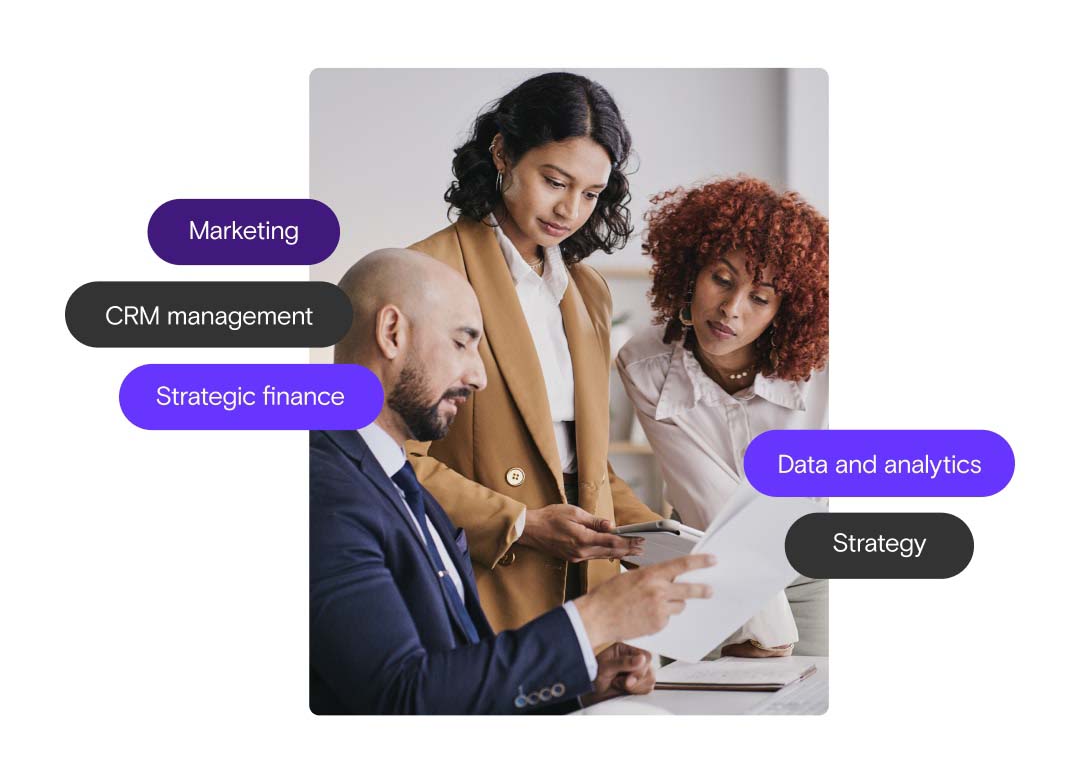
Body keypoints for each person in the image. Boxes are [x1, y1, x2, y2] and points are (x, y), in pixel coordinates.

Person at [310, 249, 715, 714]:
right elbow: (401, 700)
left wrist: (577, 688)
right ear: (392, 333)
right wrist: (593, 620)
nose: (479, 376)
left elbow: (452, 686)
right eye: (462, 343)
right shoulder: (322, 492)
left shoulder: (401, 484)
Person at [407, 72, 662, 633]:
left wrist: (667, 540)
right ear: (502, 152)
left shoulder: (588, 291)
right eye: (554, 181)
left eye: (591, 194)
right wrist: (520, 523)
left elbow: (583, 466)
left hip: (586, 588)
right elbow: (387, 459)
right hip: (481, 580)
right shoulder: (425, 276)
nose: (569, 209)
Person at [616, 177, 829, 657]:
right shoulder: (645, 364)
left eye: (760, 298)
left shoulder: (823, 371)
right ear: (691, 271)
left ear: (784, 311)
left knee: (814, 689)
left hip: (810, 559)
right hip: (706, 553)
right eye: (722, 279)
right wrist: (765, 632)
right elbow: (705, 496)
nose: (731, 309)